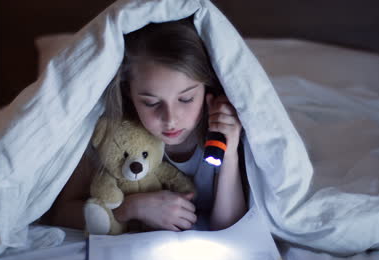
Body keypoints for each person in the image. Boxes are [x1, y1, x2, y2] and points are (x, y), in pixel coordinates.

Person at [45, 17, 247, 232]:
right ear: (130, 94)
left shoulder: (218, 131)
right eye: (151, 102)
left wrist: (231, 153)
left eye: (186, 99)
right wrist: (129, 208)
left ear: (207, 90)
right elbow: (62, 214)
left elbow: (231, 228)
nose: (170, 119)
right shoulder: (112, 134)